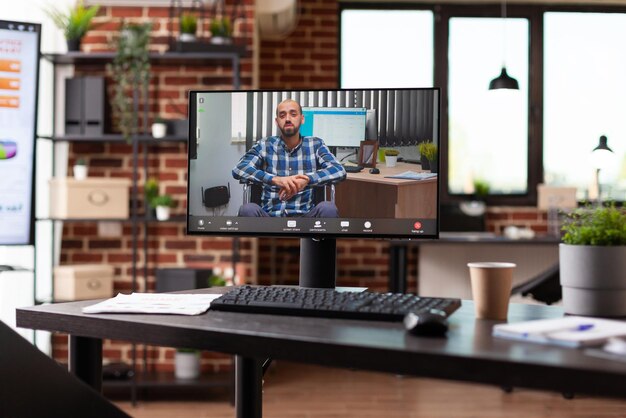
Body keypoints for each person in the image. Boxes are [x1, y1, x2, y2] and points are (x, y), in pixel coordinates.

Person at [232, 99, 346, 217]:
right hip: (269, 217)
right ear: (277, 121)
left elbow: (339, 170)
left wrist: (307, 179)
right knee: (247, 209)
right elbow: (239, 168)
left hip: (305, 217)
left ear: (302, 119)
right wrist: (275, 180)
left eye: (293, 114)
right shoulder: (264, 145)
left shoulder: (315, 144)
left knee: (328, 208)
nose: (287, 119)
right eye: (282, 115)